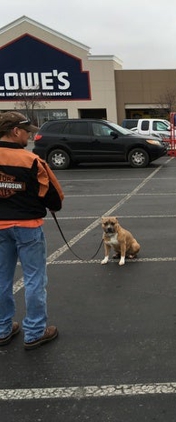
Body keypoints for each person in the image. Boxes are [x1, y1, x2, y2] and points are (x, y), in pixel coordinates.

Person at [0, 111, 64, 349]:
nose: (28, 136)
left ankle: (2, 328)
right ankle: (35, 331)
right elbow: (55, 197)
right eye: (27, 131)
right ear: (15, 131)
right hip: (28, 227)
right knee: (35, 279)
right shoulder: (31, 161)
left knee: (1, 279)